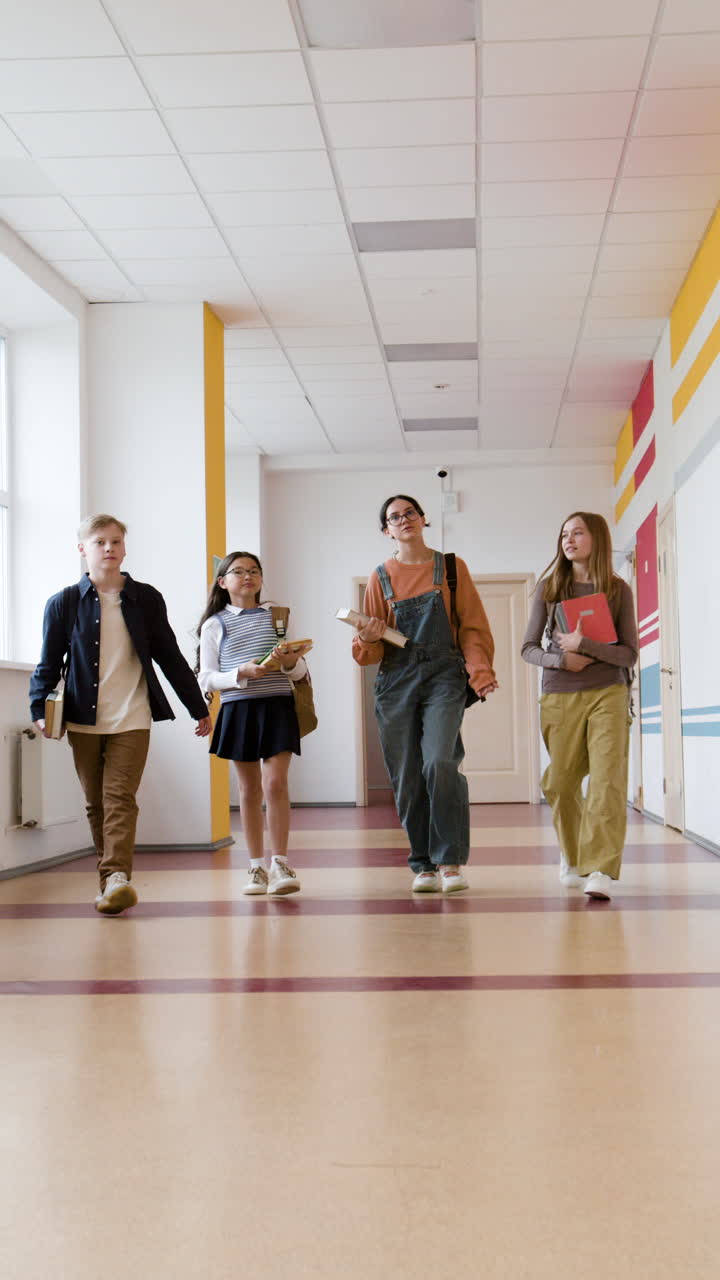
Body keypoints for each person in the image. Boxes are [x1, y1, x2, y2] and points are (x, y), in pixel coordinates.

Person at [29, 514, 212, 915]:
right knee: (96, 802)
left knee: (119, 796)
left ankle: (117, 877)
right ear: (83, 549)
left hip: (132, 713)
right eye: (99, 542)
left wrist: (197, 707)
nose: (108, 548)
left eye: (115, 541)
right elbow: (47, 662)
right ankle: (108, 883)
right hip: (81, 717)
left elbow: (169, 656)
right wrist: (38, 707)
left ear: (125, 548)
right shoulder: (64, 602)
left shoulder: (145, 598)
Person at [352, 495, 498, 894]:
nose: (404, 520)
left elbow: (471, 627)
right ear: (387, 530)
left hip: (444, 678)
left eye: (410, 513)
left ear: (422, 519)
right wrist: (366, 639)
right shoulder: (378, 577)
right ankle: (423, 865)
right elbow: (374, 650)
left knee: (439, 762)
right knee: (407, 776)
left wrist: (479, 669)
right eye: (394, 517)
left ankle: (449, 860)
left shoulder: (450, 567)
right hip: (396, 681)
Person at [520, 511, 638, 901]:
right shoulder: (550, 587)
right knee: (561, 782)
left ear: (597, 538)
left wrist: (584, 645)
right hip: (559, 694)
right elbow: (529, 648)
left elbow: (628, 654)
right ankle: (572, 855)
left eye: (578, 533)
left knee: (607, 781)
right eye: (564, 534)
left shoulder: (618, 590)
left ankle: (601, 867)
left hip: (608, 692)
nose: (569, 540)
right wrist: (561, 659)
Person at [197, 552, 310, 897]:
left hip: (278, 706)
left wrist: (290, 662)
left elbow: (300, 672)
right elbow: (206, 678)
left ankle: (281, 863)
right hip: (238, 709)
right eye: (239, 571)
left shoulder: (277, 616)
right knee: (249, 791)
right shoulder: (214, 624)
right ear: (223, 581)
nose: (248, 576)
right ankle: (256, 867)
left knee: (275, 783)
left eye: (254, 571)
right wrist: (240, 673)